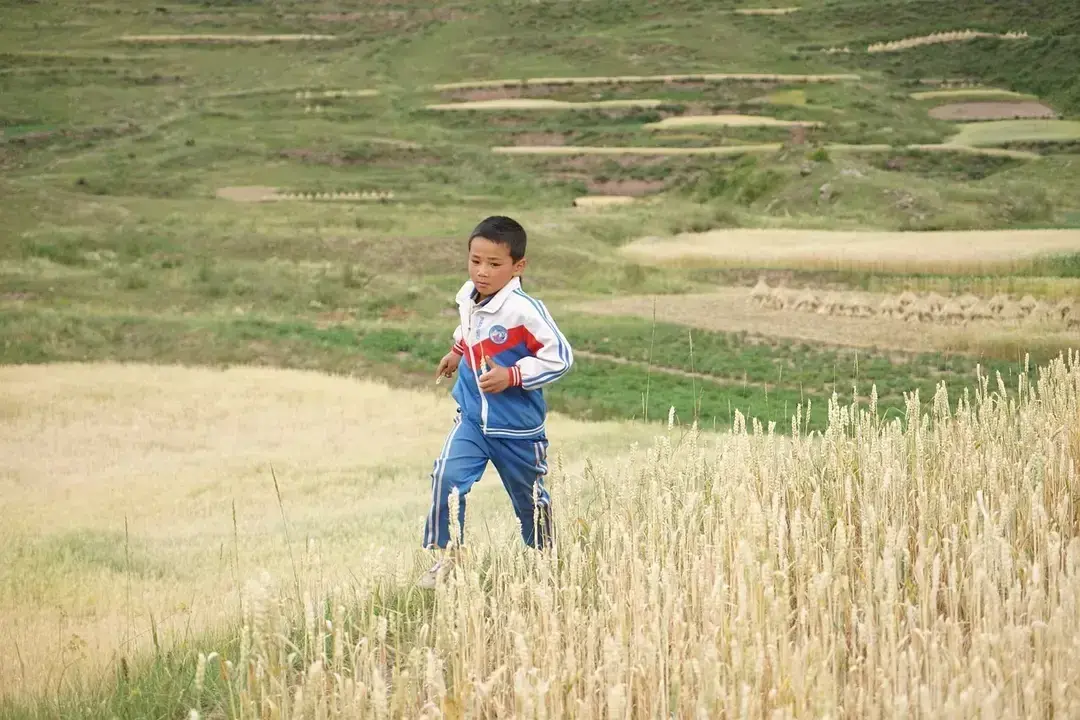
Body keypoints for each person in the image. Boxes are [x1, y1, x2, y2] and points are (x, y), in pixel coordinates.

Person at [417, 216, 573, 589]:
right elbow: (471, 331)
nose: (481, 272)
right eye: (475, 261)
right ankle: (447, 557)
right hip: (472, 420)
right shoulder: (468, 297)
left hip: (516, 429)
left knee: (529, 502)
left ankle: (546, 560)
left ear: (518, 266)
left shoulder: (525, 311)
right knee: (446, 479)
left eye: (494, 264)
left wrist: (512, 375)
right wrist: (456, 352)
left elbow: (560, 357)